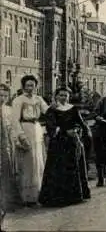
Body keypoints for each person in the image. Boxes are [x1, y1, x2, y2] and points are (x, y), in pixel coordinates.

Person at [38, 87, 91, 207]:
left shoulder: (73, 109)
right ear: (56, 96)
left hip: (71, 143)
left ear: (69, 97)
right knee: (57, 168)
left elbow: (81, 123)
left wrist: (79, 130)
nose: (63, 97)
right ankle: (55, 198)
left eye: (66, 95)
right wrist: (64, 131)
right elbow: (51, 126)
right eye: (61, 95)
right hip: (58, 143)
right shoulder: (52, 110)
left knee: (72, 166)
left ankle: (73, 197)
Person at [11, 75, 49, 206]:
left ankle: (38, 194)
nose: (30, 88)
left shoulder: (38, 99)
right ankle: (26, 197)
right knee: (28, 163)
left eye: (33, 85)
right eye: (27, 85)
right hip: (25, 128)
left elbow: (49, 112)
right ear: (23, 86)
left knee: (39, 161)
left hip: (37, 129)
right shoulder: (18, 100)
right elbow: (15, 120)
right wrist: (21, 136)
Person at [0, 84, 27, 230]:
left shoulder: (8, 111)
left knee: (6, 176)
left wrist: (17, 141)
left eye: (4, 95)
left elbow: (13, 129)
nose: (2, 98)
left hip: (5, 147)